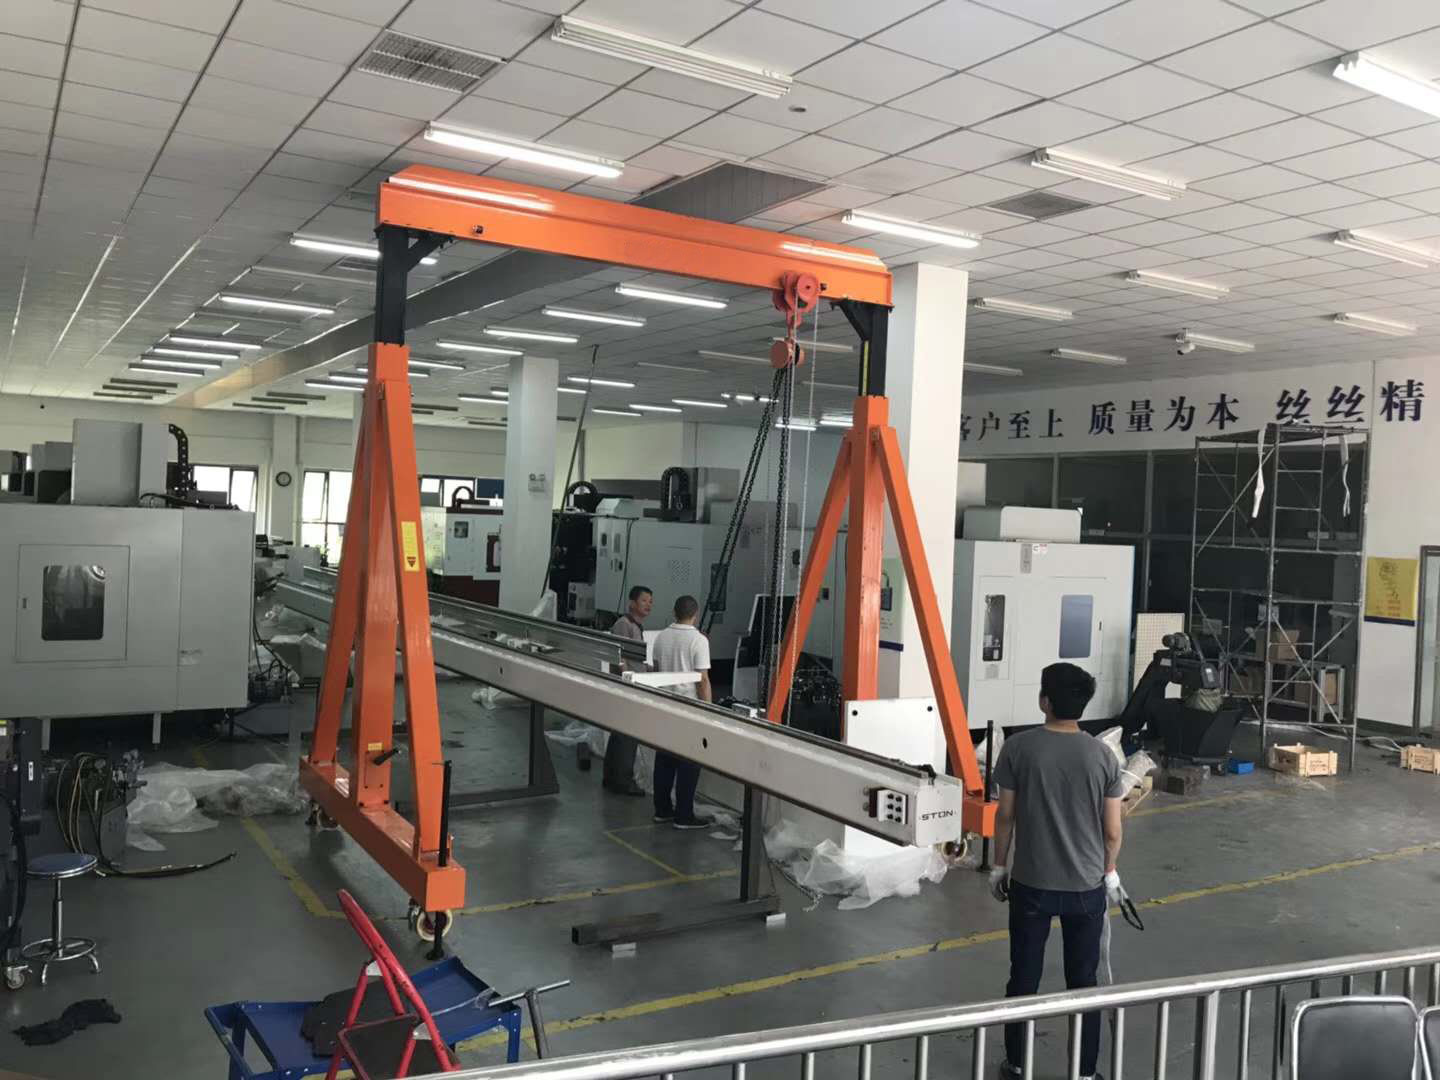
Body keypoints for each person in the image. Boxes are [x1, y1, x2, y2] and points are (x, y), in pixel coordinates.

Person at [990, 662, 1126, 1080]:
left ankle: (1017, 1064)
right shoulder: (1103, 756)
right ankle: (1083, 1073)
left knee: (1023, 977)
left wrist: (999, 866)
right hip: (1086, 887)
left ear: (1044, 701)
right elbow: (1112, 831)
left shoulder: (1018, 748)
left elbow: (1005, 816)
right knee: (1083, 982)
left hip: (1030, 884)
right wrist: (1109, 871)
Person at [650, 594, 711, 830]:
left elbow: (656, 671)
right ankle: (684, 815)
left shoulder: (661, 637)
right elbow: (702, 680)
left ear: (674, 612)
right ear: (695, 614)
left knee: (664, 759)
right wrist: (708, 710)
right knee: (689, 762)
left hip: (665, 705)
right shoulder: (699, 640)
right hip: (688, 708)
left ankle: (662, 809)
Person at [603, 585, 652, 797]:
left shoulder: (636, 626)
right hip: (628, 686)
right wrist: (628, 680)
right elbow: (620, 657)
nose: (648, 605)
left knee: (620, 733)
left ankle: (612, 777)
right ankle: (623, 780)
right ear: (632, 603)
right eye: (644, 601)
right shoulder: (624, 625)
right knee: (628, 735)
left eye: (650, 601)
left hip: (633, 682)